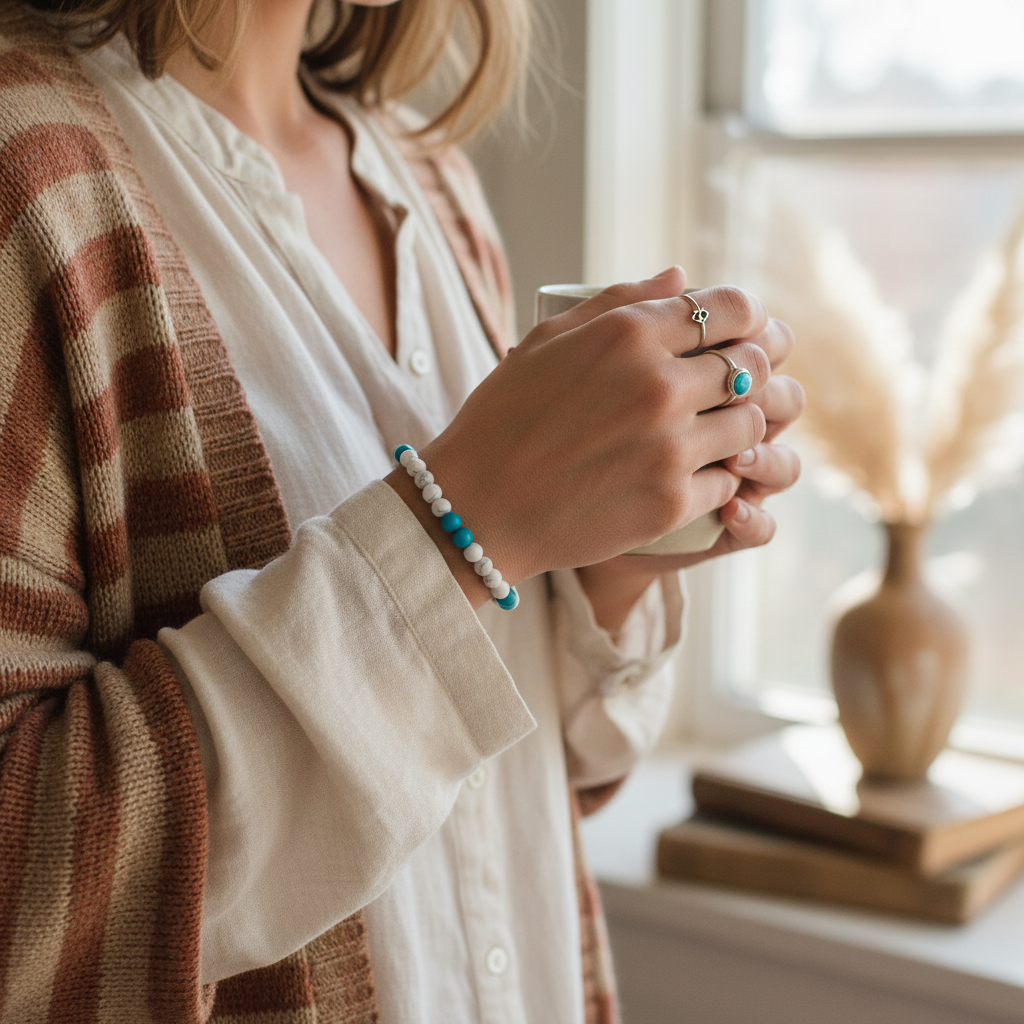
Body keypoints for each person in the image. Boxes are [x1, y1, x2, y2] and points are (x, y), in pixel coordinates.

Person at [0, 0, 803, 1020]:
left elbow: (504, 789)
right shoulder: (22, 171)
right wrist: (463, 525)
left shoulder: (427, 177)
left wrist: (604, 567)